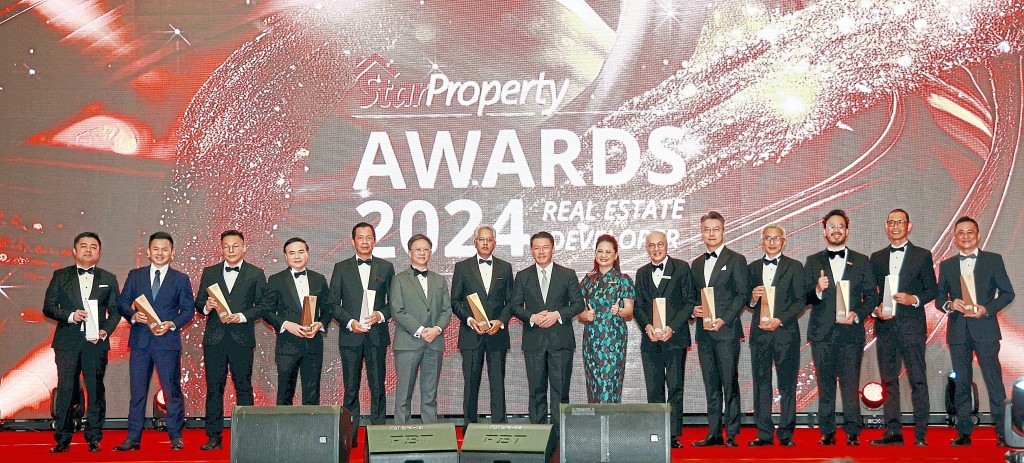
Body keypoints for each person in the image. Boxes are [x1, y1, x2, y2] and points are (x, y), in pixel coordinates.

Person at [936, 216, 1015, 447]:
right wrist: (950, 305)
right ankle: (964, 432)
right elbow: (940, 297)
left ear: (978, 235)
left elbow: (1008, 293)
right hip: (958, 331)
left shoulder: (993, 260)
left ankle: (1002, 432)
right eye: (960, 233)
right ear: (955, 237)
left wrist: (986, 309)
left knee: (994, 381)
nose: (965, 236)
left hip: (986, 330)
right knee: (962, 383)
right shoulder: (947, 264)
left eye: (970, 232)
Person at [114, 232, 195, 452]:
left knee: (172, 391)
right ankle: (133, 437)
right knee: (138, 391)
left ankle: (176, 436)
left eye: (165, 249)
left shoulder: (180, 278)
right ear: (148, 252)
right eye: (156, 249)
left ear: (172, 253)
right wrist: (132, 315)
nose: (160, 253)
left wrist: (172, 323)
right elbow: (122, 302)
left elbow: (188, 310)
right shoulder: (135, 275)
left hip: (167, 342)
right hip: (141, 341)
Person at [804, 209, 877, 446]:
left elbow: (871, 297)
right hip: (822, 334)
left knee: (849, 384)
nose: (836, 230)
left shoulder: (862, 260)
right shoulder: (813, 261)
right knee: (825, 385)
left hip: (850, 333)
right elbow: (804, 298)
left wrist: (858, 315)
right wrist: (816, 289)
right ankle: (827, 431)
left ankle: (853, 431)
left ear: (847, 230)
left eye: (840, 226)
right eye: (831, 226)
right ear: (824, 231)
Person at [43, 232, 120, 454]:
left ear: (99, 252)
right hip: (67, 342)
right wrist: (69, 315)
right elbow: (48, 307)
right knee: (66, 390)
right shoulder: (60, 276)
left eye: (93, 246)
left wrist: (104, 332)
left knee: (96, 390)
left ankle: (94, 437)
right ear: (75, 250)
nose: (88, 250)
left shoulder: (109, 278)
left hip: (95, 343)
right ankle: (63, 437)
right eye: (84, 246)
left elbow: (114, 313)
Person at [193, 230, 267, 451]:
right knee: (214, 388)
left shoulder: (256, 273)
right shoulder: (210, 272)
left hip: (242, 338)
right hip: (215, 339)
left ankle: (247, 436)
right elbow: (199, 304)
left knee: (243, 387)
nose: (231, 250)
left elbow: (263, 306)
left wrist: (243, 316)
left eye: (235, 246)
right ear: (221, 248)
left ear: (244, 247)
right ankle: (213, 437)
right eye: (226, 246)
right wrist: (207, 307)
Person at [867, 210, 936, 447]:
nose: (896, 226)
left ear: (909, 226)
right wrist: (876, 311)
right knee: (889, 382)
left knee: (917, 380)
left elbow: (932, 290)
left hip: (912, 327)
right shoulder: (875, 257)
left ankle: (920, 434)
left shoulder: (922, 255)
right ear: (886, 227)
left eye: (900, 222)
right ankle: (893, 432)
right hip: (885, 328)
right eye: (891, 222)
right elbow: (869, 294)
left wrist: (913, 299)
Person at [508, 231, 585, 434]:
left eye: (545, 247)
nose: (541, 252)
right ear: (531, 250)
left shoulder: (567, 274)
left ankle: (561, 435)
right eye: (537, 248)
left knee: (561, 392)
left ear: (552, 248)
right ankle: (537, 434)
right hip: (534, 341)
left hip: (561, 341)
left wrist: (557, 314)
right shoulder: (523, 276)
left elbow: (578, 304)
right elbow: (515, 306)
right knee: (536, 391)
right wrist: (532, 317)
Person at [327, 222, 394, 446]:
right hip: (351, 337)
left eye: (369, 238)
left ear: (375, 240)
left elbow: (393, 304)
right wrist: (350, 322)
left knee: (378, 386)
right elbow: (333, 304)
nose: (365, 242)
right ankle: (350, 437)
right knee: (351, 388)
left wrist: (380, 315)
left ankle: (378, 435)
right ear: (353, 240)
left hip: (376, 336)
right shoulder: (341, 267)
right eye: (360, 238)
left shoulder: (386, 267)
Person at [691, 211, 747, 447]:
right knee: (711, 385)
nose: (711, 233)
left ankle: (732, 434)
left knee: (729, 383)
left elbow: (742, 294)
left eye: (715, 229)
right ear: (701, 232)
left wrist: (723, 319)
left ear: (723, 231)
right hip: (704, 334)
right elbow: (694, 298)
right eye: (707, 229)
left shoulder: (736, 259)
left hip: (726, 332)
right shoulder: (696, 263)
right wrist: (694, 311)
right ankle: (713, 433)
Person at [633, 230, 695, 448]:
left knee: (676, 387)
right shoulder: (641, 273)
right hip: (650, 340)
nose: (656, 249)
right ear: (647, 248)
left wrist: (672, 327)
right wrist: (647, 326)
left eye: (660, 244)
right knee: (654, 388)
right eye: (652, 245)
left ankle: (673, 435)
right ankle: (657, 434)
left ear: (667, 245)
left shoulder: (681, 268)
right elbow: (638, 306)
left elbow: (689, 302)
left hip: (675, 338)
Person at [746, 224, 804, 447]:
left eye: (776, 238)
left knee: (787, 384)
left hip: (786, 333)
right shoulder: (752, 268)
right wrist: (752, 298)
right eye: (768, 238)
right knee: (761, 383)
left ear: (784, 241)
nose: (772, 242)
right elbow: (746, 302)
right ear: (762, 241)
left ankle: (787, 433)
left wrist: (780, 319)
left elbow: (800, 301)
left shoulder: (795, 266)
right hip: (760, 335)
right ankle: (764, 433)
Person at [450, 225, 514, 423]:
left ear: (495, 243)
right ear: (475, 242)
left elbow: (511, 301)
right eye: (482, 239)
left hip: (497, 334)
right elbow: (455, 301)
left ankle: (499, 427)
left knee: (497, 384)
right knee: (471, 384)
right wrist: (470, 320)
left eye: (489, 240)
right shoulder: (462, 267)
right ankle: (469, 427)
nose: (486, 243)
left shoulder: (505, 267)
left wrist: (501, 321)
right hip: (471, 335)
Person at [390, 234, 452, 424]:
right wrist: (420, 330)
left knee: (430, 394)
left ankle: (431, 435)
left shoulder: (439, 280)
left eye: (426, 249)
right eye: (418, 249)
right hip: (408, 343)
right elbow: (397, 311)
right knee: (403, 395)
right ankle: (400, 436)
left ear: (431, 253)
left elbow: (446, 310)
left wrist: (436, 330)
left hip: (434, 343)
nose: (422, 253)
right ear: (409, 253)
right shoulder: (399, 279)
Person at [263, 237, 330, 405]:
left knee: (312, 394)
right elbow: (267, 311)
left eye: (301, 252)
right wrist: (287, 325)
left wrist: (320, 324)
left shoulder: (319, 279)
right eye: (292, 253)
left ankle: (311, 431)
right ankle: (284, 432)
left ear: (307, 254)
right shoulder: (275, 280)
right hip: (287, 345)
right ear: (286, 257)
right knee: (285, 394)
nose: (297, 256)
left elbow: (329, 308)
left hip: (313, 344)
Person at [578, 234, 634, 403]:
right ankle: (596, 427)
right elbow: (580, 312)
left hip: (614, 341)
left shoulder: (623, 280)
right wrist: (585, 316)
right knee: (594, 384)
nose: (604, 255)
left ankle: (611, 426)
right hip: (592, 340)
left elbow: (630, 312)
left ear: (615, 255)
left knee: (609, 383)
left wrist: (619, 311)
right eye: (600, 251)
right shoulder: (588, 280)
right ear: (595, 254)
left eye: (608, 252)